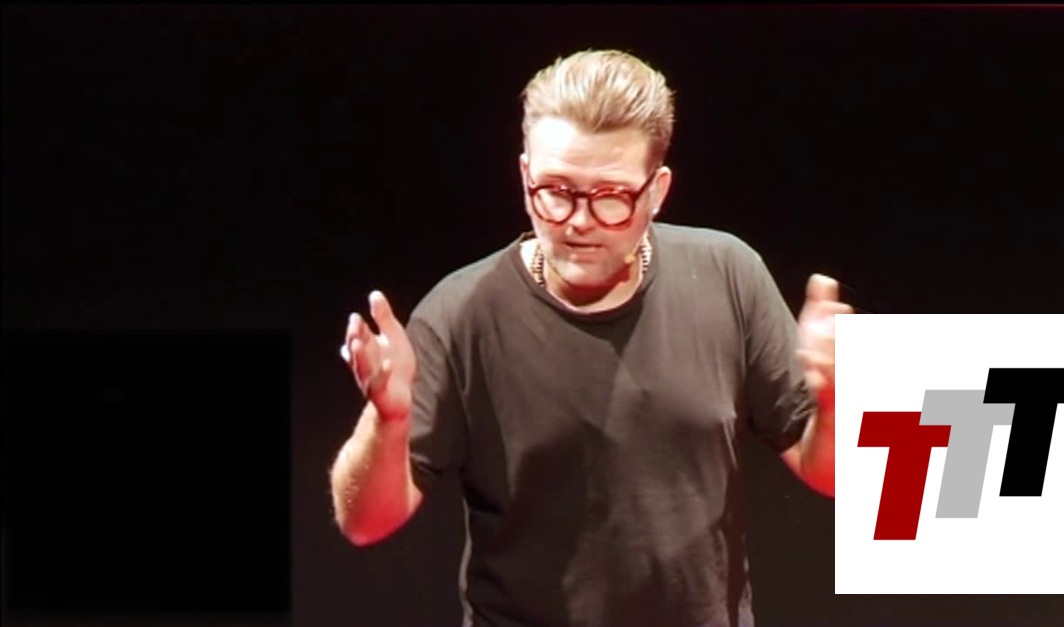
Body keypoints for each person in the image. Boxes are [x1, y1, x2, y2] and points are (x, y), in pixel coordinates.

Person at [330, 48, 852, 627]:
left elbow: (832, 474)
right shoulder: (462, 313)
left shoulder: (728, 275)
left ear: (657, 191)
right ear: (524, 175)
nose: (578, 221)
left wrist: (834, 402)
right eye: (555, 191)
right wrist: (388, 419)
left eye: (610, 197)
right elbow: (364, 523)